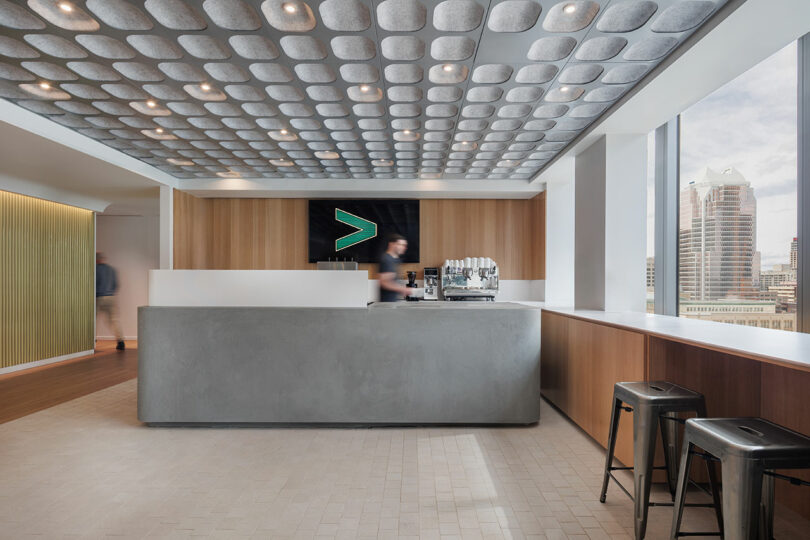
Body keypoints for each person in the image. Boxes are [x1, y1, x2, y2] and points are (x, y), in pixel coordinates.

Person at [96, 252, 125, 351]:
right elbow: (116, 284)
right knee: (114, 320)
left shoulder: (95, 269)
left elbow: (94, 284)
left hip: (98, 297)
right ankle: (120, 341)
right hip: (111, 297)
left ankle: (91, 341)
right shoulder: (112, 269)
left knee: (93, 320)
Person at [378, 233, 414, 302]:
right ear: (392, 244)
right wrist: (403, 289)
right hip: (387, 304)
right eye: (401, 245)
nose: (404, 248)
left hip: (393, 302)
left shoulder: (396, 260)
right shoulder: (386, 259)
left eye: (405, 245)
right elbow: (384, 282)